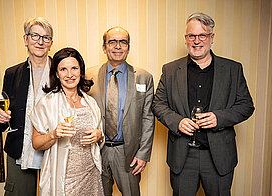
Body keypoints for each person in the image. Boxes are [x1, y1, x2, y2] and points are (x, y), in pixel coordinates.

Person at [152, 12, 255, 196]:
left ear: (211, 38)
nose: (197, 41)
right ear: (186, 39)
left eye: (202, 35)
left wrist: (219, 118)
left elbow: (246, 105)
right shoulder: (170, 70)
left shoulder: (233, 69)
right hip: (182, 157)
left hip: (219, 157)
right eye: (192, 35)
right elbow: (158, 104)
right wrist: (177, 122)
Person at [86, 26, 155, 196]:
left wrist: (143, 153)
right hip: (97, 151)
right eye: (112, 42)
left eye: (123, 42)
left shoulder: (144, 77)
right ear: (104, 47)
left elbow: (148, 118)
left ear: (128, 48)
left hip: (128, 153)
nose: (118, 46)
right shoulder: (89, 76)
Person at [30, 47, 105, 196]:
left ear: (80, 71)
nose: (69, 74)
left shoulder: (90, 102)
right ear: (57, 74)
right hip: (63, 178)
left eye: (74, 68)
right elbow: (36, 144)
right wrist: (53, 134)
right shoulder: (46, 103)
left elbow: (99, 137)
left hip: (91, 173)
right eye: (63, 69)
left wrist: (99, 136)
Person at [0, 17, 53, 195]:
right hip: (20, 146)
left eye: (46, 37)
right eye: (35, 35)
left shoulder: (60, 71)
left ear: (51, 43)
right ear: (25, 39)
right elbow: (4, 119)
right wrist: (1, 118)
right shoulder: (12, 73)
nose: (40, 41)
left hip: (53, 147)